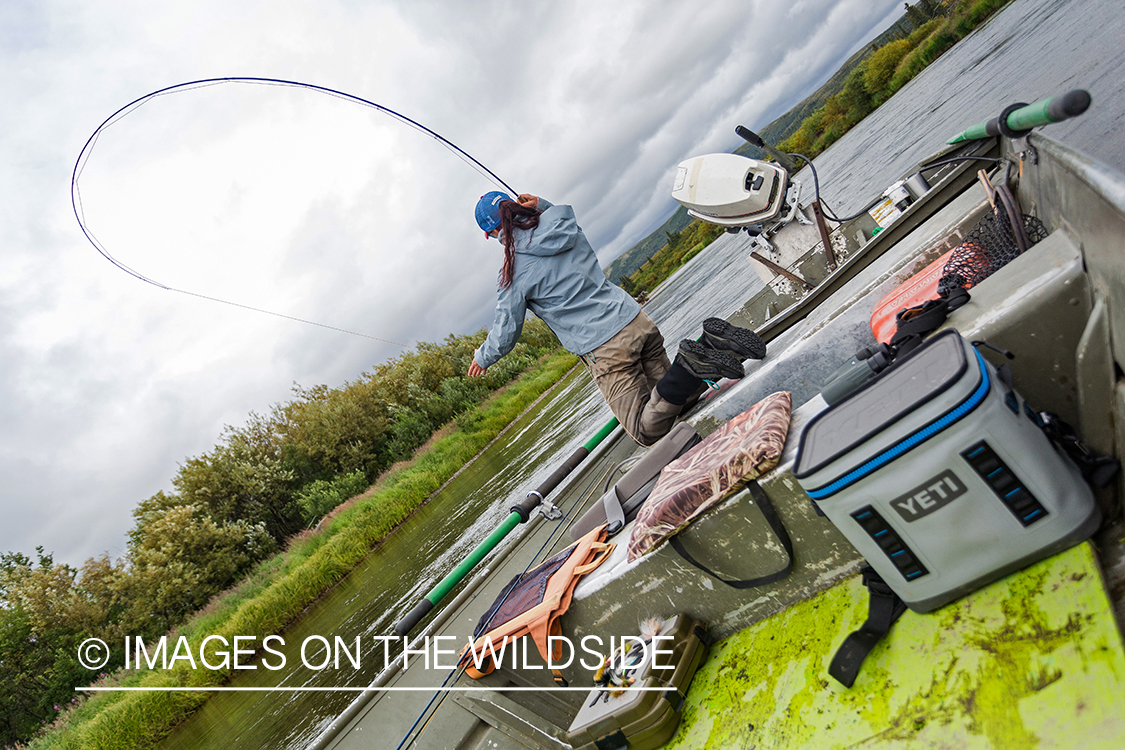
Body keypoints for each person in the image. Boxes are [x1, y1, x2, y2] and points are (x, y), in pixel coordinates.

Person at [467, 191, 765, 447]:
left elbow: (507, 330)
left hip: (607, 349)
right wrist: (543, 205)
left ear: (490, 233)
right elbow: (551, 221)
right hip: (636, 320)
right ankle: (716, 344)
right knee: (676, 401)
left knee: (643, 430)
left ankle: (691, 363)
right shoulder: (561, 223)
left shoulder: (511, 273)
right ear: (520, 206)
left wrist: (482, 357)